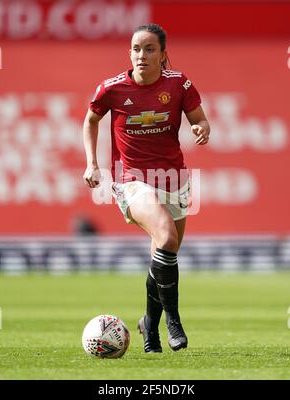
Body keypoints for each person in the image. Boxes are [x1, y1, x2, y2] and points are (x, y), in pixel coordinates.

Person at [82, 23, 210, 353]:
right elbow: (91, 119)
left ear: (163, 55)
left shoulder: (179, 84)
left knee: (164, 253)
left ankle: (148, 324)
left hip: (174, 180)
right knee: (166, 237)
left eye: (150, 49)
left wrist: (200, 127)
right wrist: (92, 163)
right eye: (136, 49)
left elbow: (200, 118)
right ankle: (173, 320)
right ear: (130, 54)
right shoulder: (111, 88)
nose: (142, 55)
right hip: (132, 180)